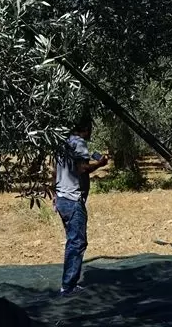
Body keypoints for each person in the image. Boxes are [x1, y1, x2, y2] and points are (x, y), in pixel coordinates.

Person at [53, 112, 109, 296]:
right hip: (73, 199)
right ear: (85, 129)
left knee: (73, 240)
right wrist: (99, 164)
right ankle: (68, 286)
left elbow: (56, 171)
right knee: (77, 242)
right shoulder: (79, 143)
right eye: (90, 129)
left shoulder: (63, 143)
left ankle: (70, 282)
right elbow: (81, 168)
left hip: (62, 198)